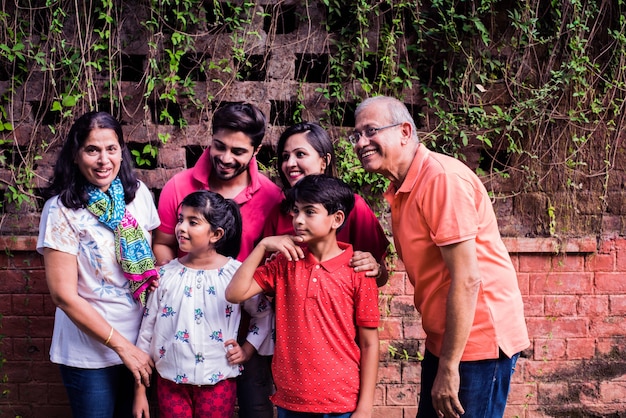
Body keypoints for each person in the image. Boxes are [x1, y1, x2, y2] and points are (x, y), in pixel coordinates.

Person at [351, 95, 530, 418]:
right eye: (356, 135)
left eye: (371, 131)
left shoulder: (441, 179)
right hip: (445, 340)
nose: (361, 142)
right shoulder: (402, 188)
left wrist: (449, 367)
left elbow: (467, 278)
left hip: (478, 343)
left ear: (405, 131)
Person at [153, 102, 282, 418]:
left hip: (248, 323)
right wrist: (178, 287)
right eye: (219, 146)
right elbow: (163, 244)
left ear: (257, 150)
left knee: (254, 408)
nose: (226, 158)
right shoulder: (178, 187)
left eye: (238, 151)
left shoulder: (271, 195)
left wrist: (249, 337)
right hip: (185, 326)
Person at [226, 174, 380, 418]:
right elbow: (235, 293)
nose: (298, 220)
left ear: (336, 219)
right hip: (291, 400)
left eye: (309, 212)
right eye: (296, 211)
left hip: (342, 402)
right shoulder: (285, 263)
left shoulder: (359, 270)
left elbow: (370, 344)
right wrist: (263, 246)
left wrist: (365, 408)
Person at [37, 111, 159, 418]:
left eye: (111, 149)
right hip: (88, 354)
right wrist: (123, 348)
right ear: (76, 156)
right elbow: (63, 295)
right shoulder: (61, 210)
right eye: (92, 150)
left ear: (121, 151)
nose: (104, 160)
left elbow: (154, 259)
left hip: (142, 340)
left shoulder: (139, 195)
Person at [134, 191, 272, 418]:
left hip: (218, 382)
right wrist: (139, 391)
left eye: (193, 222)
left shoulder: (235, 275)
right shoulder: (164, 275)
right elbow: (146, 333)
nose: (181, 227)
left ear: (216, 234)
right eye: (180, 219)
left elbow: (263, 314)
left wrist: (247, 350)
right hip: (170, 383)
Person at [263, 121, 390, 286]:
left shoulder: (352, 206)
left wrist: (375, 269)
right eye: (285, 157)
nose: (290, 164)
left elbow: (380, 277)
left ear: (324, 161)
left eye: (300, 154)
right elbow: (264, 281)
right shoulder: (279, 212)